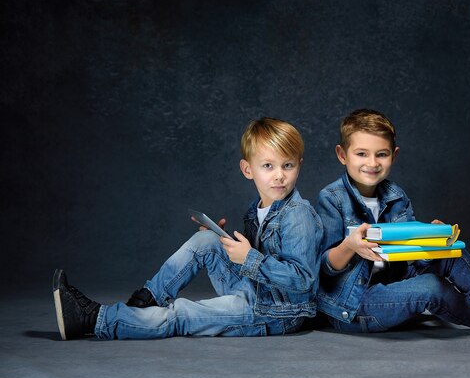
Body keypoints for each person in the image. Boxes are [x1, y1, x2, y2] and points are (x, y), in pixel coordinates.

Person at [53, 117, 323, 340]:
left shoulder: (298, 214)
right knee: (205, 243)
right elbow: (259, 261)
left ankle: (94, 318)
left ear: (299, 166)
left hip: (279, 312)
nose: (279, 175)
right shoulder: (256, 208)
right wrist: (225, 243)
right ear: (247, 169)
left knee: (182, 314)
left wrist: (249, 258)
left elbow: (303, 281)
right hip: (257, 291)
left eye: (287, 165)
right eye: (268, 166)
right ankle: (143, 303)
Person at [314, 108, 470, 339]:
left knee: (449, 247)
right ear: (342, 155)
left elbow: (409, 258)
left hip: (394, 285)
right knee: (432, 287)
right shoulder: (332, 199)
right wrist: (350, 246)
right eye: (361, 154)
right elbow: (325, 268)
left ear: (394, 155)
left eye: (381, 154)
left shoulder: (395, 195)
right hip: (354, 305)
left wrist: (430, 237)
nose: (372, 163)